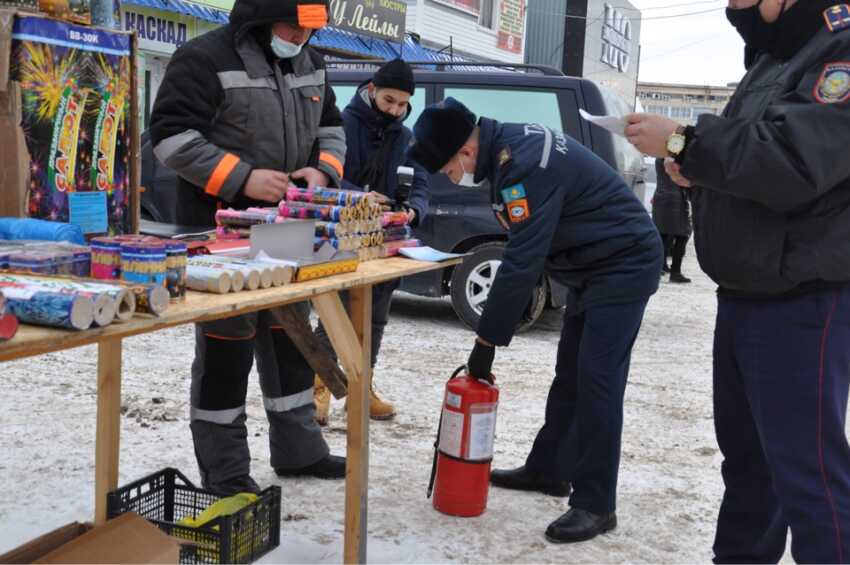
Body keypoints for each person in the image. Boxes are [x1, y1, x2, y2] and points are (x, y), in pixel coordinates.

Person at [625, 1, 850, 561]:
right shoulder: (775, 57)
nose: (732, 6)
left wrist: (683, 141)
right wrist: (694, 169)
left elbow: (794, 163)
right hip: (747, 292)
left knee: (810, 478)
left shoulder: (838, 48)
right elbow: (749, 163)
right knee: (749, 468)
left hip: (801, 300)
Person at [408, 98, 663, 543]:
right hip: (592, 265)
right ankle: (549, 470)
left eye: (448, 170)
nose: (453, 178)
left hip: (622, 266)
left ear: (464, 152)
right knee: (570, 376)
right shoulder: (510, 145)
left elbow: (521, 262)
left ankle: (596, 503)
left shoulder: (521, 166)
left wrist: (485, 344)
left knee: (598, 384)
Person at [149, 0, 348, 495]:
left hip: (288, 231)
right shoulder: (202, 58)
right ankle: (227, 475)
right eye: (292, 28)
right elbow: (170, 138)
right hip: (220, 239)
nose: (301, 39)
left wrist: (321, 170)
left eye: (309, 31)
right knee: (226, 353)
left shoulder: (312, 62)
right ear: (261, 19)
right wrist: (242, 179)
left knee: (290, 341)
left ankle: (301, 451)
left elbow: (332, 130)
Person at [313, 59, 430, 424]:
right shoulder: (343, 125)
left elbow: (422, 185)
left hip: (388, 241)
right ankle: (318, 387)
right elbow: (328, 178)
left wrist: (413, 209)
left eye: (402, 104)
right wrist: (359, 196)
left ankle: (360, 389)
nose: (395, 110)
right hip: (343, 236)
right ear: (372, 91)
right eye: (389, 101)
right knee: (337, 315)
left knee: (375, 320)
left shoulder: (407, 137)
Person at [651, 158, 692, 283]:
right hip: (676, 199)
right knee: (683, 235)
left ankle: (659, 267)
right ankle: (676, 272)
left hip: (660, 196)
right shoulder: (675, 157)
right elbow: (683, 178)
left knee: (663, 235)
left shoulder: (660, 156)